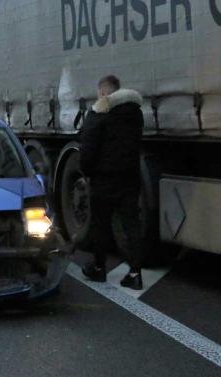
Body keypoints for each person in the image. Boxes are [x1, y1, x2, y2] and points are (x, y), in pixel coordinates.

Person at [76, 75, 144, 290]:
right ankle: (135, 274)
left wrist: (87, 172)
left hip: (103, 179)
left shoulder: (98, 114)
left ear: (103, 92)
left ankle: (99, 268)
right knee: (131, 224)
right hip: (130, 177)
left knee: (100, 224)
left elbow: (87, 149)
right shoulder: (135, 113)